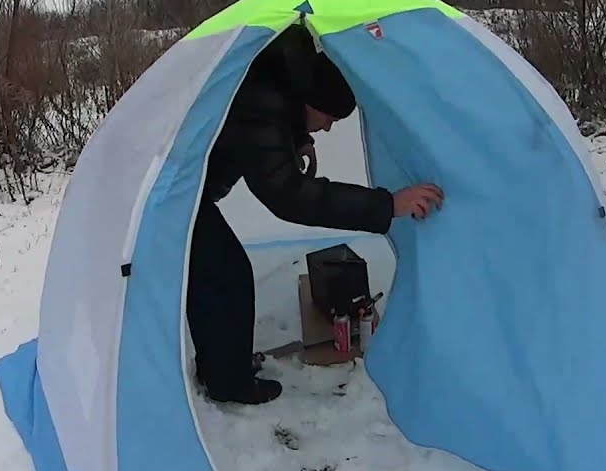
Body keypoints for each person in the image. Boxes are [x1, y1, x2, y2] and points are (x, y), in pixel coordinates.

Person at [187, 24, 444, 405]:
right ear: (311, 104)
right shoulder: (263, 101)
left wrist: (298, 138)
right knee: (223, 275)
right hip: (168, 190)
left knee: (223, 273)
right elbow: (290, 197)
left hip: (186, 188)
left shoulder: (278, 80)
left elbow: (270, 123)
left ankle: (225, 367)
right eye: (327, 120)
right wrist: (389, 204)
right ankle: (228, 382)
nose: (326, 129)